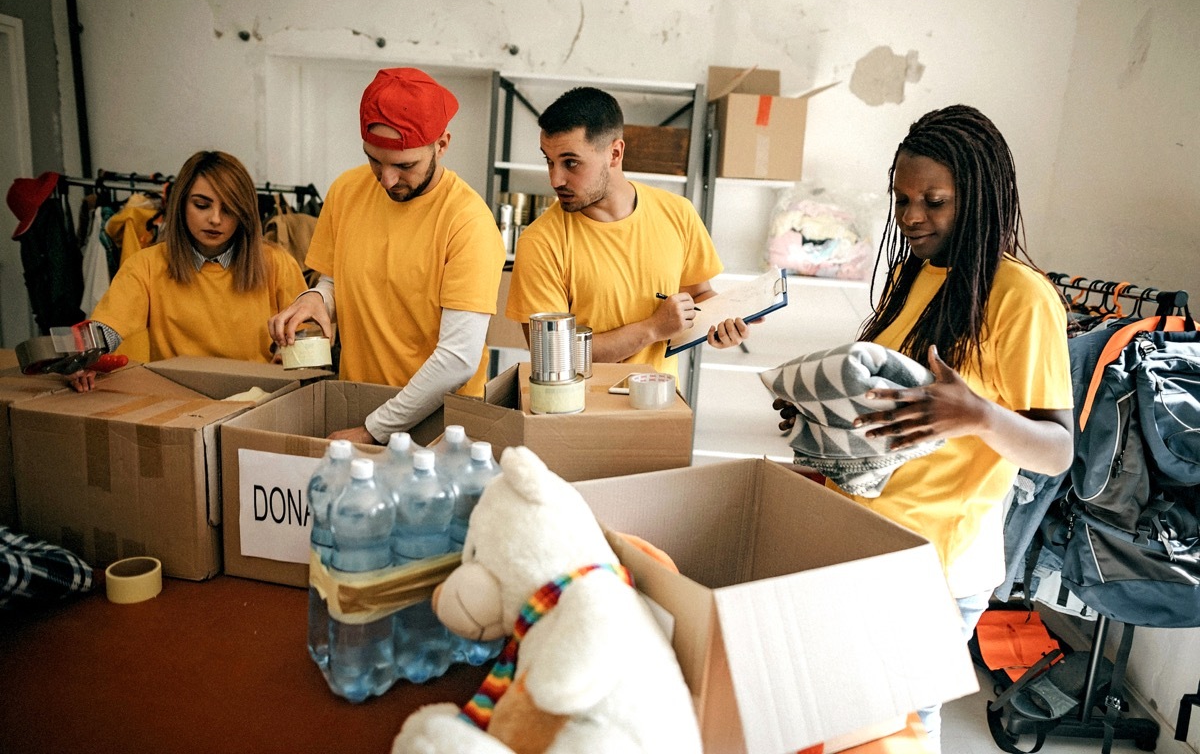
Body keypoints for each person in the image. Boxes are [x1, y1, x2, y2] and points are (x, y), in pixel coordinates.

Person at [774, 105, 1073, 751]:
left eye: (934, 201)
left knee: (900, 731)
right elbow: (887, 407)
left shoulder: (1021, 297)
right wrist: (820, 420)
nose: (912, 216)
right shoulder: (918, 275)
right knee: (856, 723)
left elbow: (1055, 451)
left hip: (935, 564)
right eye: (903, 199)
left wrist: (979, 415)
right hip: (867, 539)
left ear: (979, 196)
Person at [268, 68, 505, 444]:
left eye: (404, 165)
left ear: (441, 145)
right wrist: (315, 299)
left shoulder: (468, 222)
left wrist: (375, 429)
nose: (386, 179)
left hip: (443, 428)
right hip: (358, 404)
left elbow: (458, 359)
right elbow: (335, 280)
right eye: (375, 161)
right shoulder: (346, 191)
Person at [505, 86, 748, 379]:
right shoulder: (541, 242)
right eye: (549, 160)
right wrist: (652, 329)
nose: (555, 179)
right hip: (578, 418)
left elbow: (699, 293)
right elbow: (553, 356)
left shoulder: (678, 212)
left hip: (659, 407)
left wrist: (723, 322)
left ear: (615, 153)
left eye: (571, 162)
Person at [68, 150, 307, 392]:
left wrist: (287, 355)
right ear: (181, 204)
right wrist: (86, 356)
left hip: (260, 401)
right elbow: (109, 324)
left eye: (229, 209)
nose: (215, 219)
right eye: (201, 205)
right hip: (177, 405)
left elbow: (306, 334)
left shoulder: (277, 263)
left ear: (244, 213)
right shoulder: (146, 265)